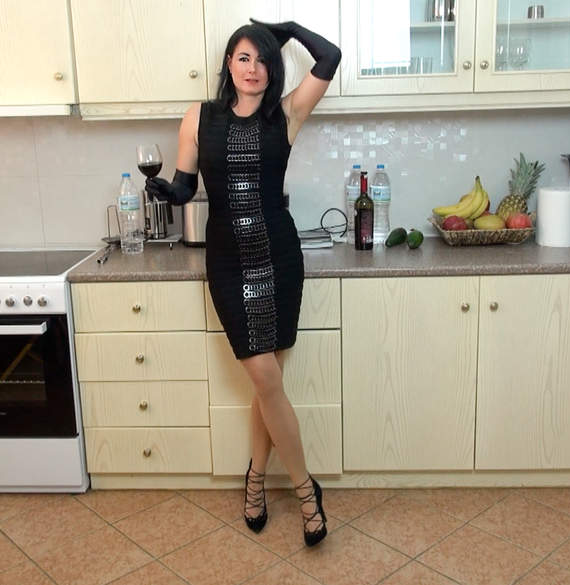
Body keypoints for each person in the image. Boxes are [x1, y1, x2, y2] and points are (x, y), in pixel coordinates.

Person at [145, 19, 340, 547]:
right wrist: (164, 191)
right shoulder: (199, 117)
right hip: (230, 262)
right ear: (228, 64)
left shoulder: (286, 114)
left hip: (278, 258)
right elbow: (185, 188)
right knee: (267, 379)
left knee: (266, 383)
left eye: (263, 60)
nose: (253, 69)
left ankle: (254, 479)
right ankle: (306, 490)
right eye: (244, 57)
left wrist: (286, 29)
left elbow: (329, 56)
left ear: (273, 69)